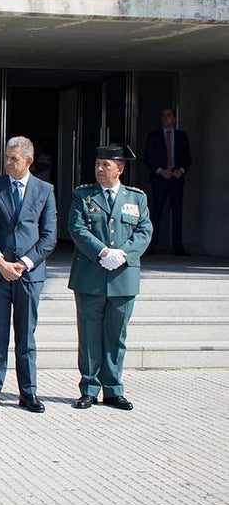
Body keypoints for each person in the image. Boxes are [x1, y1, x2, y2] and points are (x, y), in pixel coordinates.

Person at [67, 145, 152, 411]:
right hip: (90, 275)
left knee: (116, 336)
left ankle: (114, 390)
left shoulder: (136, 198)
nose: (100, 169)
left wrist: (123, 254)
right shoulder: (84, 195)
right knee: (90, 336)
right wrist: (102, 251)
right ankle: (89, 389)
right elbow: (77, 228)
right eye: (97, 164)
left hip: (123, 277)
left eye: (106, 164)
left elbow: (144, 230)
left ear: (120, 168)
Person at [0, 136, 57, 413]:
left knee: (26, 335)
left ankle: (28, 392)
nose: (8, 163)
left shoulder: (45, 190)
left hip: (29, 275)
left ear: (29, 161)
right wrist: (0, 262)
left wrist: (24, 263)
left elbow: (49, 236)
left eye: (14, 159)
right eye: (7, 158)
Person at [143, 108, 192, 256]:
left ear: (174, 119)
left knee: (177, 212)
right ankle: (152, 245)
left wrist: (181, 170)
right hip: (160, 179)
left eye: (169, 116)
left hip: (176, 179)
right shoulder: (154, 136)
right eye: (163, 116)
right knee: (156, 212)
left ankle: (178, 245)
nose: (165, 118)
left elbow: (188, 158)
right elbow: (148, 158)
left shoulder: (182, 136)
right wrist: (159, 170)